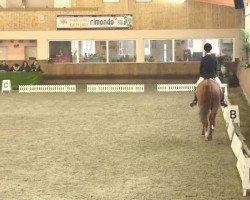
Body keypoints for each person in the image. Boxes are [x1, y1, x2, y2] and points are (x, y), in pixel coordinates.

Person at [190, 43, 228, 107]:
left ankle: (195, 100)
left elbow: (201, 69)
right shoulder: (214, 58)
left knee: (196, 86)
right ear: (211, 50)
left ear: (205, 50)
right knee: (221, 87)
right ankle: (222, 101)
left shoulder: (203, 58)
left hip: (204, 76)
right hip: (213, 76)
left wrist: (202, 75)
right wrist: (214, 75)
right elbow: (216, 68)